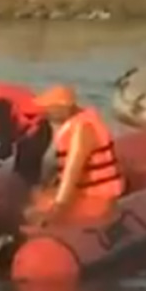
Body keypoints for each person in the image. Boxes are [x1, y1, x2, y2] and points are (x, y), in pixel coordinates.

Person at [27, 86, 126, 227]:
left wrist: (58, 208)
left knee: (33, 212)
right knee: (37, 195)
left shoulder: (82, 129)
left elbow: (72, 171)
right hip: (86, 193)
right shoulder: (77, 123)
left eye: (50, 110)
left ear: (64, 107)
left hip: (98, 198)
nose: (46, 114)